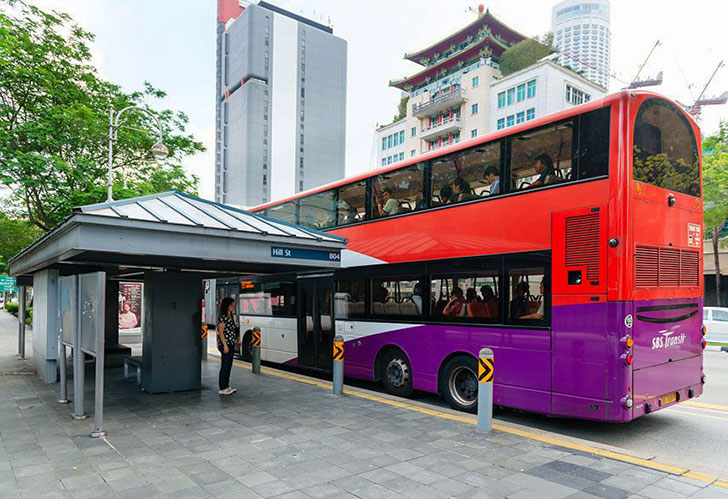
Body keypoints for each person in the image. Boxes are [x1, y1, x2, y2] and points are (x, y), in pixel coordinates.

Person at [217, 297, 240, 395]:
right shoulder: (223, 317)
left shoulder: (233, 316)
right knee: (225, 366)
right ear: (227, 306)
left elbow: (235, 329)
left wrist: (238, 339)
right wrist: (225, 345)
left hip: (231, 343)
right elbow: (221, 332)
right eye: (231, 305)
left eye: (233, 304)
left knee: (229, 365)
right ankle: (222, 388)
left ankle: (227, 386)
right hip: (225, 344)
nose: (233, 306)